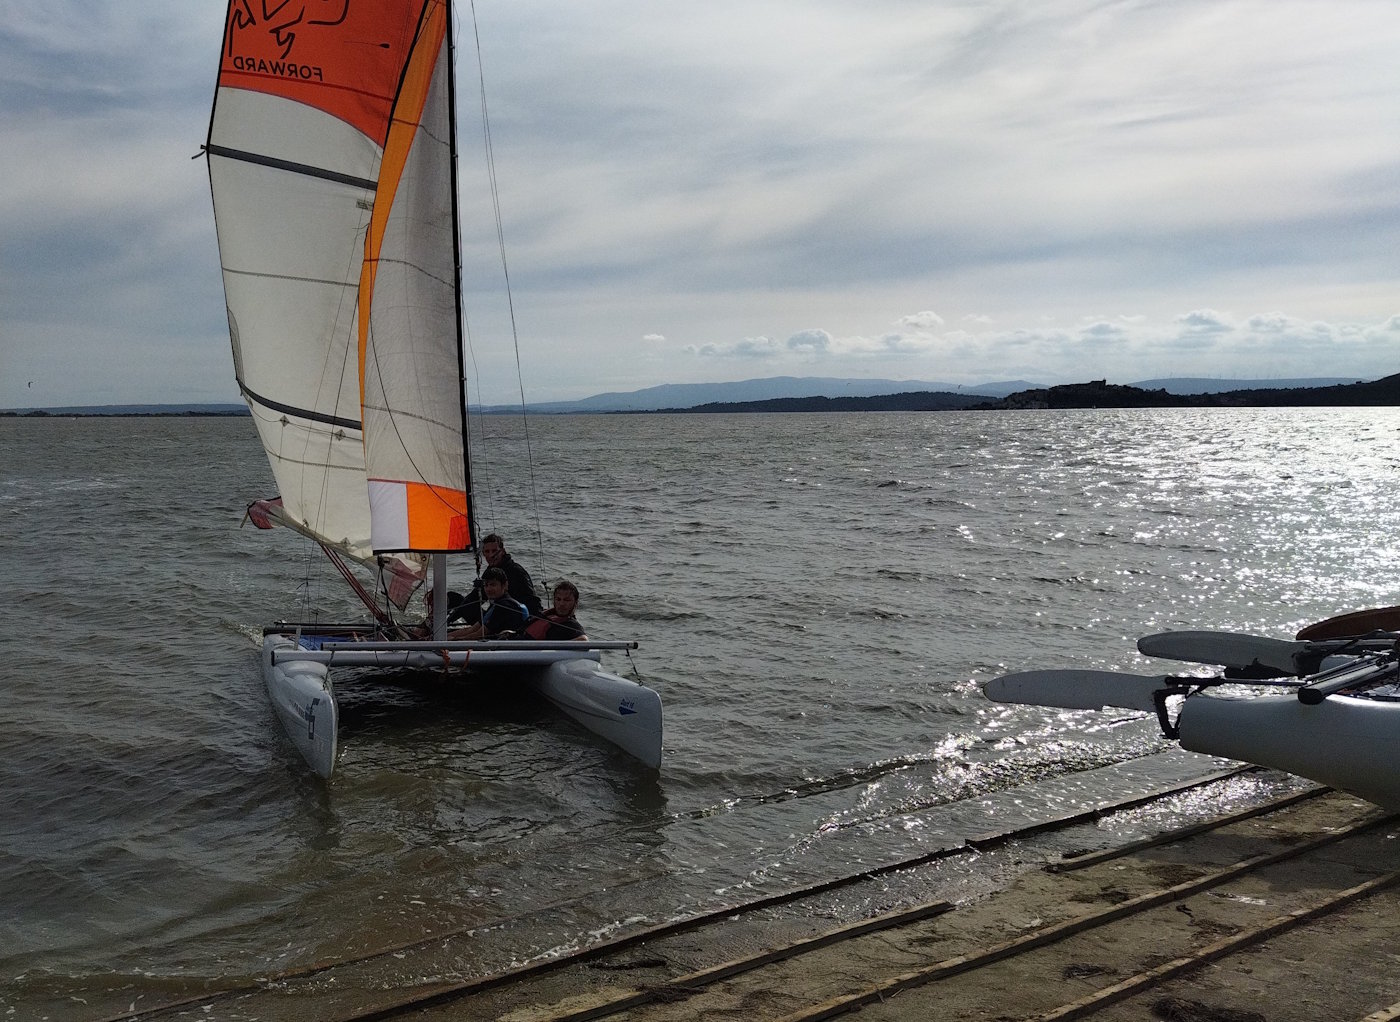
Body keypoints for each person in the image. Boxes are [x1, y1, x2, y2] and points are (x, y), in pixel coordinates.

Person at [447, 533, 545, 623]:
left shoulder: (516, 571)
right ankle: (440, 627)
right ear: (483, 553)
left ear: (502, 551)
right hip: (496, 615)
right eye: (487, 551)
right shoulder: (491, 570)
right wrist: (448, 621)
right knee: (453, 598)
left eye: (494, 551)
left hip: (514, 621)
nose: (491, 555)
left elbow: (534, 603)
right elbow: (473, 599)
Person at [447, 567, 530, 639]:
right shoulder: (496, 604)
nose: (488, 589)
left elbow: (479, 635)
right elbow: (472, 629)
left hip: (509, 650)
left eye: (493, 585)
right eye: (486, 585)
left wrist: (453, 640)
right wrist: (444, 636)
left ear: (505, 585)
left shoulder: (504, 606)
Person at [516, 580, 589, 641]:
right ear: (554, 601)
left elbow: (584, 640)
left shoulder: (572, 626)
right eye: (558, 599)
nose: (562, 603)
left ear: (575, 603)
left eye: (567, 600)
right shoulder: (545, 615)